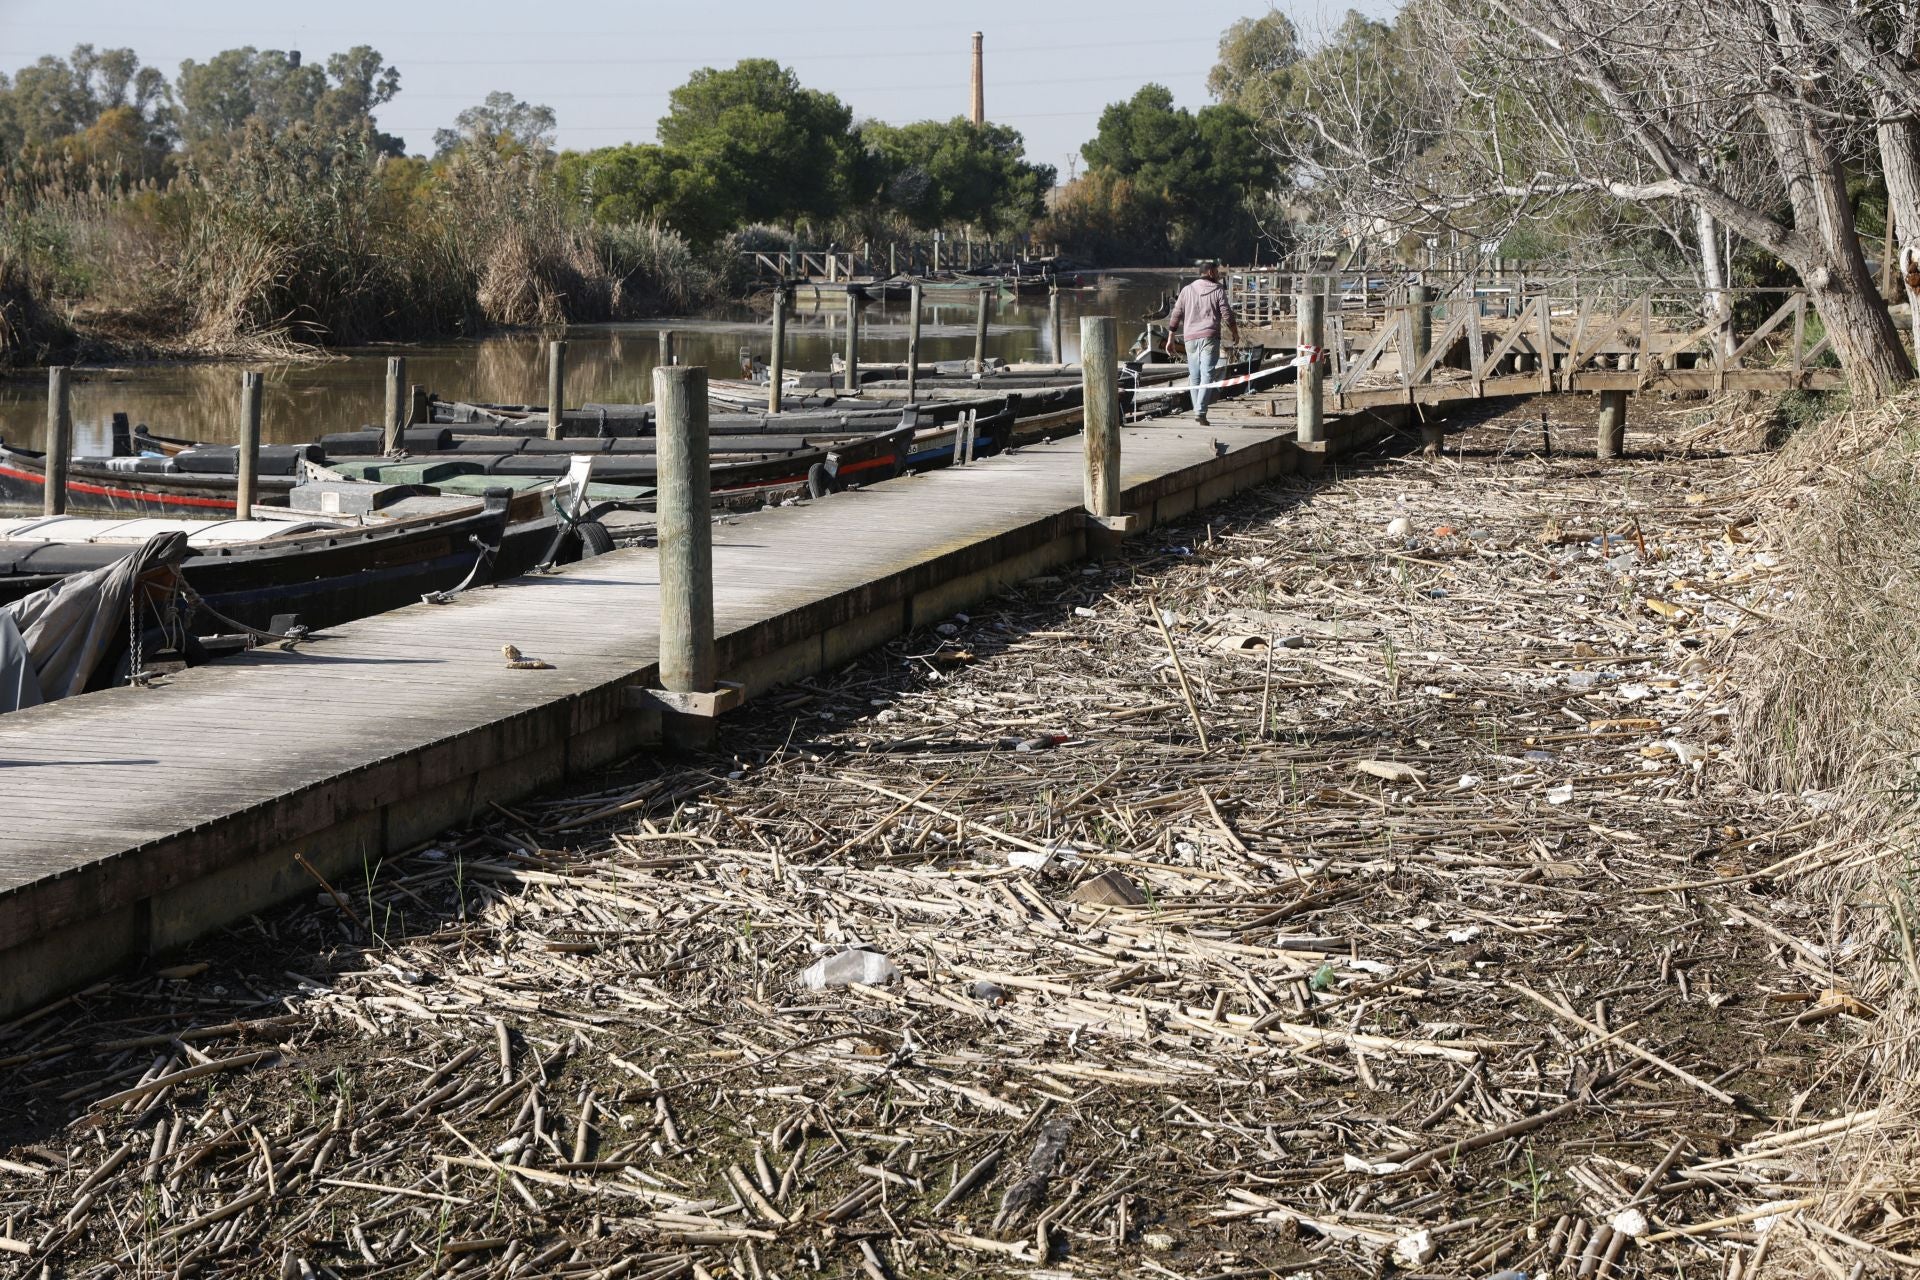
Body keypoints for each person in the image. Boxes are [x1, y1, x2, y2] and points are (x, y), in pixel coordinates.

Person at [1165, 261, 1241, 425]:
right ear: (1211, 272)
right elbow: (1226, 313)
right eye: (1217, 271)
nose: (1219, 275)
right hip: (1209, 337)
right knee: (1207, 374)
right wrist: (1234, 331)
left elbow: (1176, 315)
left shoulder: (1186, 290)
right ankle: (1200, 411)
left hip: (1189, 338)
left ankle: (1198, 411)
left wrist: (1171, 338)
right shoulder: (1218, 289)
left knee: (1195, 376)